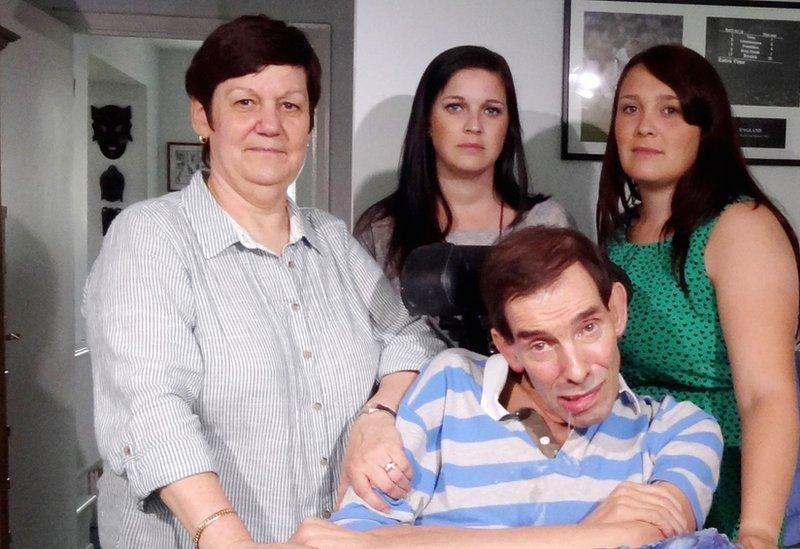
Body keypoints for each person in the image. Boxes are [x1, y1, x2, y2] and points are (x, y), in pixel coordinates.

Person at [84, 15, 443, 548]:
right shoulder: (151, 236)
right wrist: (227, 537)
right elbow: (150, 408)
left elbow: (412, 337)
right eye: (245, 102)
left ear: (309, 124)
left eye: (290, 105)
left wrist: (377, 413)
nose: (270, 124)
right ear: (203, 116)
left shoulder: (333, 241)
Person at [286, 227, 723, 548]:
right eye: (540, 344)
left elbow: (657, 538)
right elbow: (345, 539)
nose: (575, 369)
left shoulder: (680, 429)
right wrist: (591, 535)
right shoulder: (449, 386)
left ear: (617, 312)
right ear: (507, 348)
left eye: (588, 328)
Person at [595, 45, 800, 548]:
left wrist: (756, 534)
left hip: (718, 478)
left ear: (704, 128)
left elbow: (767, 397)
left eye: (669, 109)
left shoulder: (740, 227)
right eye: (630, 108)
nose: (645, 126)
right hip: (625, 476)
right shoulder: (614, 240)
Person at [354, 45, 572, 288]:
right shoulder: (382, 228)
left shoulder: (546, 222)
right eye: (455, 107)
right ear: (427, 120)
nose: (474, 126)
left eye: (491, 110)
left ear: (508, 125)